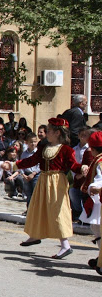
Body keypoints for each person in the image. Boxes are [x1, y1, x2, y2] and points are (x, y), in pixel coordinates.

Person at [14, 118, 87, 259]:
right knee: (38, 208)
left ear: (57, 133)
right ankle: (35, 235)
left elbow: (73, 165)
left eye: (49, 130)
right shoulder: (43, 147)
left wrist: (82, 167)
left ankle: (65, 245)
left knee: (57, 211)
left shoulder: (66, 150)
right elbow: (32, 160)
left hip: (57, 181)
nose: (46, 133)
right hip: (43, 179)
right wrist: (14, 165)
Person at [81, 131, 102, 275]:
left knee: (97, 228)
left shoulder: (100, 162)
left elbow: (100, 179)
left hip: (99, 200)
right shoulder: (98, 161)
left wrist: (95, 187)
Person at [70, 127, 94, 220]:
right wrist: (76, 175)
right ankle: (77, 211)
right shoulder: (74, 149)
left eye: (85, 135)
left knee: (85, 195)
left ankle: (85, 214)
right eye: (81, 135)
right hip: (76, 175)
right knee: (72, 192)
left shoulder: (89, 149)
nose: (83, 137)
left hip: (86, 176)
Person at [20, 132, 40, 209]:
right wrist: (23, 174)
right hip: (26, 175)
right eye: (31, 142)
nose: (33, 144)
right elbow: (21, 165)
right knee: (28, 193)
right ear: (27, 142)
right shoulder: (24, 154)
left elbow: (40, 165)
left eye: (34, 141)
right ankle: (29, 209)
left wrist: (34, 173)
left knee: (36, 193)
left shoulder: (38, 153)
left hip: (36, 175)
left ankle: (36, 210)